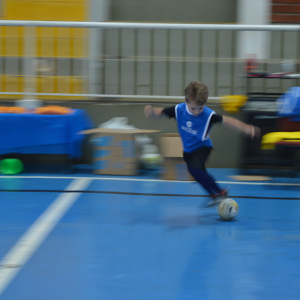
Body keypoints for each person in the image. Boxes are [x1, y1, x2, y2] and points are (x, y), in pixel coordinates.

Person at [144, 81, 261, 208]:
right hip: (188, 151)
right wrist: (152, 113)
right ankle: (214, 195)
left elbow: (227, 121)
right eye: (193, 108)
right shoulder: (179, 110)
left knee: (195, 169)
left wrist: (246, 128)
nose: (196, 112)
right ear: (186, 101)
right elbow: (162, 112)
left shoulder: (208, 115)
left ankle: (220, 192)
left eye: (200, 108)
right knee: (195, 173)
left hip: (202, 147)